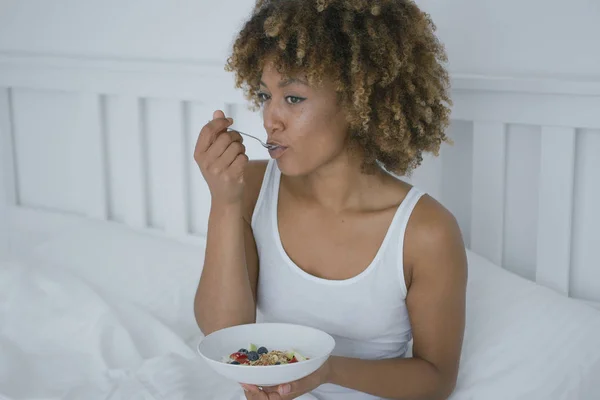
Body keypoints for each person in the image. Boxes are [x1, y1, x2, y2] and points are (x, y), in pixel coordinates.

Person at [194, 0, 467, 399]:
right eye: (264, 94)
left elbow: (436, 379)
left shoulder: (426, 231)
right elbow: (224, 335)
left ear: (360, 101)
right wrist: (224, 203)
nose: (270, 117)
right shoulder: (248, 188)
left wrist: (325, 371)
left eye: (293, 98)